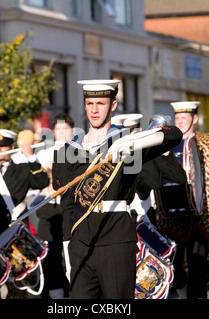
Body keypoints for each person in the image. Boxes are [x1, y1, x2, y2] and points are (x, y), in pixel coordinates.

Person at [52, 79, 183, 299]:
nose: (94, 109)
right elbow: (66, 205)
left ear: (113, 105)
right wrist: (66, 247)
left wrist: (134, 143)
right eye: (90, 103)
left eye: (100, 103)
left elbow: (173, 135)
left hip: (116, 238)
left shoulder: (126, 142)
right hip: (80, 242)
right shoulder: (67, 151)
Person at [154, 101, 209, 299]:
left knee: (198, 265)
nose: (179, 122)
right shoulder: (163, 143)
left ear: (195, 119)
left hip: (200, 213)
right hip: (170, 216)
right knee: (174, 266)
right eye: (177, 118)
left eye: (184, 118)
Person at [0, 128, 49, 299]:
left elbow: (42, 181)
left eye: (3, 146)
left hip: (14, 232)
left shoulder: (22, 169)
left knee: (21, 283)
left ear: (11, 148)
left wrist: (31, 156)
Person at [35, 113, 75, 299]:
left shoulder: (77, 151)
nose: (62, 133)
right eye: (58, 129)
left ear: (72, 131)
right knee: (50, 255)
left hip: (70, 207)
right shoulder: (43, 153)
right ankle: (55, 296)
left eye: (65, 129)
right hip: (49, 208)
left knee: (70, 253)